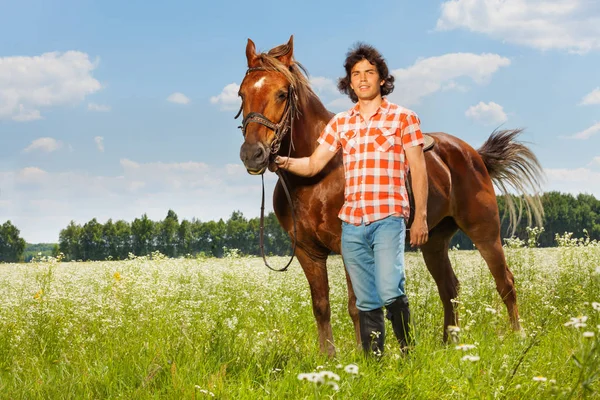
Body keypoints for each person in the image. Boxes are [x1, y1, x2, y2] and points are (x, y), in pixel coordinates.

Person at [275, 43, 428, 355]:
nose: (362, 79)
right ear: (348, 82)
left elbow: (419, 169)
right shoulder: (341, 123)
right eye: (356, 74)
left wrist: (421, 216)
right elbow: (314, 164)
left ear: (382, 80)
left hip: (388, 217)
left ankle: (408, 351)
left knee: (389, 288)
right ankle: (373, 364)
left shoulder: (404, 118)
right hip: (352, 223)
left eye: (369, 73)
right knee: (365, 297)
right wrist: (282, 161)